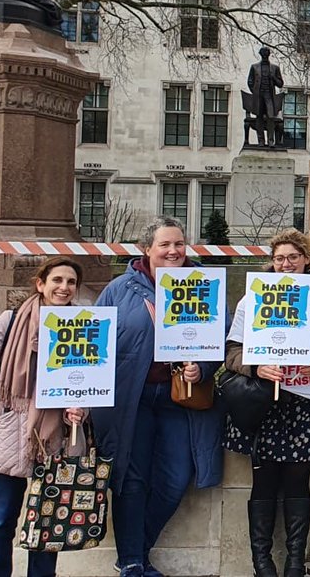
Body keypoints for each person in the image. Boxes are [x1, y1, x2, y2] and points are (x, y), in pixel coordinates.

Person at [92, 216, 224, 577]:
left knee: (177, 476)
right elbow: (95, 340)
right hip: (131, 400)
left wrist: (204, 368)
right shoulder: (120, 289)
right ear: (146, 249)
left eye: (179, 244)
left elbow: (221, 341)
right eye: (164, 244)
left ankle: (136, 550)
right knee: (131, 480)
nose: (173, 251)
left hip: (178, 398)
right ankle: (133, 562)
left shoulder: (205, 286)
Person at [224, 229, 310, 577]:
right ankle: (261, 564)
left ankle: (295, 562)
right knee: (262, 482)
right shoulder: (253, 299)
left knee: (298, 481)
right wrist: (255, 366)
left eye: (293, 256)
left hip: (309, 400)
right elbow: (231, 351)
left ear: (307, 258)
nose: (286, 263)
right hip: (266, 401)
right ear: (272, 262)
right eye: (279, 258)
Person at [0, 257, 87, 577]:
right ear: (40, 284)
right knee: (1, 518)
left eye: (70, 282)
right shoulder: (11, 320)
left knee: (49, 522)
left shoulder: (86, 325)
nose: (64, 287)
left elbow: (93, 380)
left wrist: (83, 409)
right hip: (10, 430)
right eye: (57, 280)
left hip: (57, 434)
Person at [246, 46, 284, 147]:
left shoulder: (275, 68)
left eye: (266, 53)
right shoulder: (254, 67)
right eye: (263, 53)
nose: (265, 55)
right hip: (259, 95)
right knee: (259, 117)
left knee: (271, 116)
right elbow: (250, 81)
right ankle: (261, 141)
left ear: (268, 54)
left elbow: (280, 84)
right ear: (260, 54)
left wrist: (274, 78)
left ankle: (271, 140)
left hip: (269, 95)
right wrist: (254, 92)